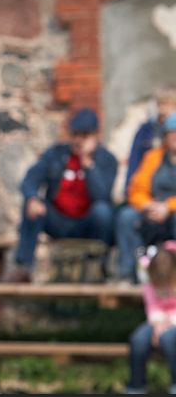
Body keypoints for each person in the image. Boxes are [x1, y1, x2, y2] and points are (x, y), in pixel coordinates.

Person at [11, 108, 117, 281]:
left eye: (84, 135)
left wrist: (87, 163)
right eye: (75, 134)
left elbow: (102, 195)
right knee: (32, 205)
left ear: (95, 136)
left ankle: (101, 268)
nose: (78, 140)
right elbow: (31, 178)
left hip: (88, 223)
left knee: (103, 211)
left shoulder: (107, 160)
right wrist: (32, 197)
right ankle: (23, 267)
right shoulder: (56, 154)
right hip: (59, 220)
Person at [116, 112, 176, 281]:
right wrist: (148, 205)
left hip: (172, 212)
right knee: (127, 217)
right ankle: (128, 274)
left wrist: (168, 207)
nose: (174, 137)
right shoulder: (153, 157)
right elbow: (136, 189)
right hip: (152, 209)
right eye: (171, 133)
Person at [125, 244, 176, 394]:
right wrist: (158, 324)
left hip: (173, 321)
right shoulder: (148, 277)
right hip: (156, 320)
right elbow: (152, 304)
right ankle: (136, 387)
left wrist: (169, 323)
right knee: (138, 340)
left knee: (168, 340)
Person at [125, 86, 176, 195]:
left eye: (168, 104)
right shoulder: (147, 130)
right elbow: (135, 159)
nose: (162, 109)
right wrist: (129, 188)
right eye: (160, 104)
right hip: (148, 184)